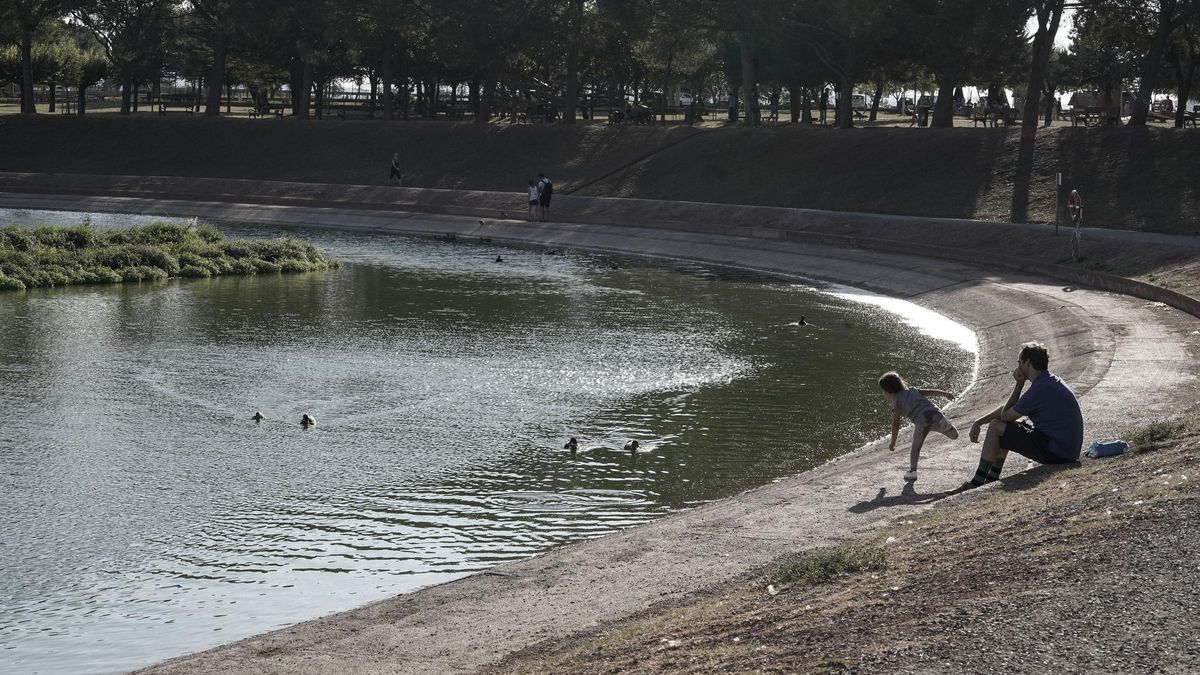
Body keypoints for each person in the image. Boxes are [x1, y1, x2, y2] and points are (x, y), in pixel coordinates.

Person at [965, 341, 1083, 487]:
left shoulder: (1039, 389)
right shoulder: (1047, 381)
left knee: (997, 426)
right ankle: (991, 477)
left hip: (1056, 452)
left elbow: (1005, 416)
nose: (1018, 367)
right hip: (1065, 450)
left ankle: (977, 482)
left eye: (1020, 362)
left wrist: (1018, 385)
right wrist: (979, 422)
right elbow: (1012, 409)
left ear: (1028, 362)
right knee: (1007, 427)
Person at [879, 371, 959, 481]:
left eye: (882, 391)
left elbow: (896, 424)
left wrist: (893, 443)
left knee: (915, 448)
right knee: (954, 435)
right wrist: (946, 394)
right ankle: (949, 428)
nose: (883, 394)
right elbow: (930, 392)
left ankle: (912, 472)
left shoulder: (896, 403)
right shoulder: (912, 390)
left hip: (922, 422)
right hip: (935, 414)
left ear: (889, 391)